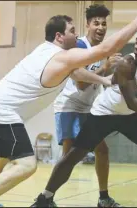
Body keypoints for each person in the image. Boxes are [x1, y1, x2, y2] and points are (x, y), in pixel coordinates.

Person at [0, 1, 137, 206]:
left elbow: (77, 72)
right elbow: (107, 48)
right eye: (71, 31)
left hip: (3, 108)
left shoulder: (48, 52)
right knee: (26, 165)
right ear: (59, 36)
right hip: (3, 110)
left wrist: (104, 80)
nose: (76, 35)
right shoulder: (60, 57)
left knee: (3, 159)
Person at [31, 19, 137, 207]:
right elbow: (132, 102)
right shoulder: (126, 64)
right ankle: (45, 198)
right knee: (75, 153)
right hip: (104, 113)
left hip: (132, 117)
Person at [53, 5, 122, 207]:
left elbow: (102, 82)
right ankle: (46, 197)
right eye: (96, 23)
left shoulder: (102, 50)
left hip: (86, 108)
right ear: (87, 25)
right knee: (68, 158)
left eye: (103, 23)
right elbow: (81, 84)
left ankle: (103, 197)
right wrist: (105, 68)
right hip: (69, 107)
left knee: (102, 150)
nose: (100, 27)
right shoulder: (80, 46)